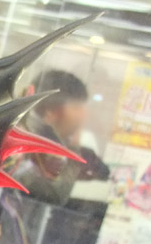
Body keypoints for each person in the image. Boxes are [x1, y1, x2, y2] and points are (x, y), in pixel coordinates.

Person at [11, 69, 109, 206]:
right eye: (76, 107)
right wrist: (75, 143)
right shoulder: (25, 143)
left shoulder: (44, 140)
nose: (83, 115)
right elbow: (55, 195)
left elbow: (103, 174)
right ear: (50, 112)